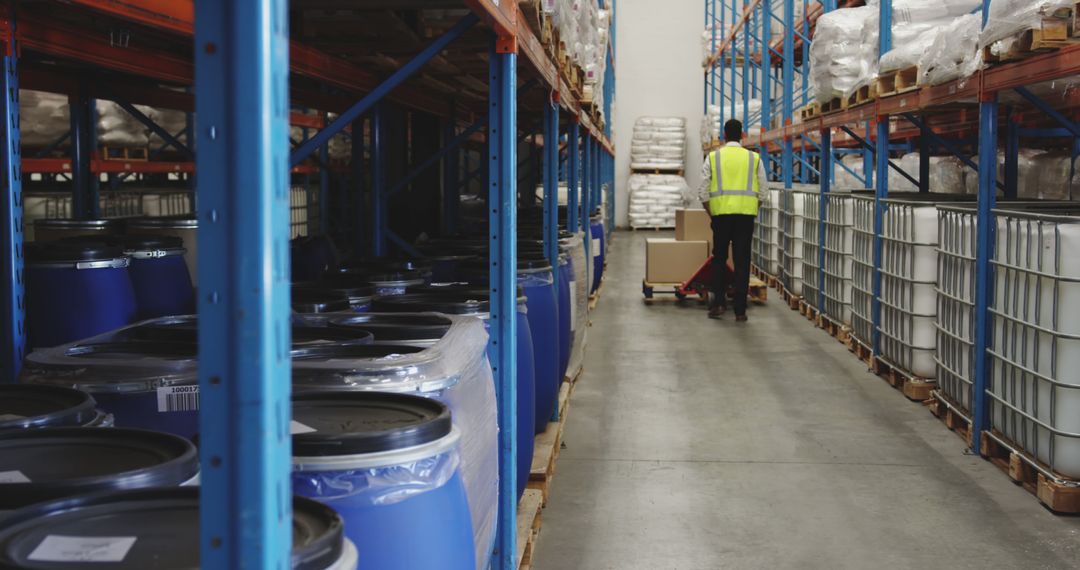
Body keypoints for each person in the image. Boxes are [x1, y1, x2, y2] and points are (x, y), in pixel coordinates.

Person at [696, 119, 767, 322]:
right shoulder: (754, 159)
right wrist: (752, 210)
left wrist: (712, 214)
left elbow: (702, 191)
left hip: (721, 217)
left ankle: (718, 304)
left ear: (724, 136)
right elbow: (763, 192)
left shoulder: (713, 157)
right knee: (742, 261)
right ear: (742, 135)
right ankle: (740, 310)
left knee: (719, 259)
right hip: (745, 217)